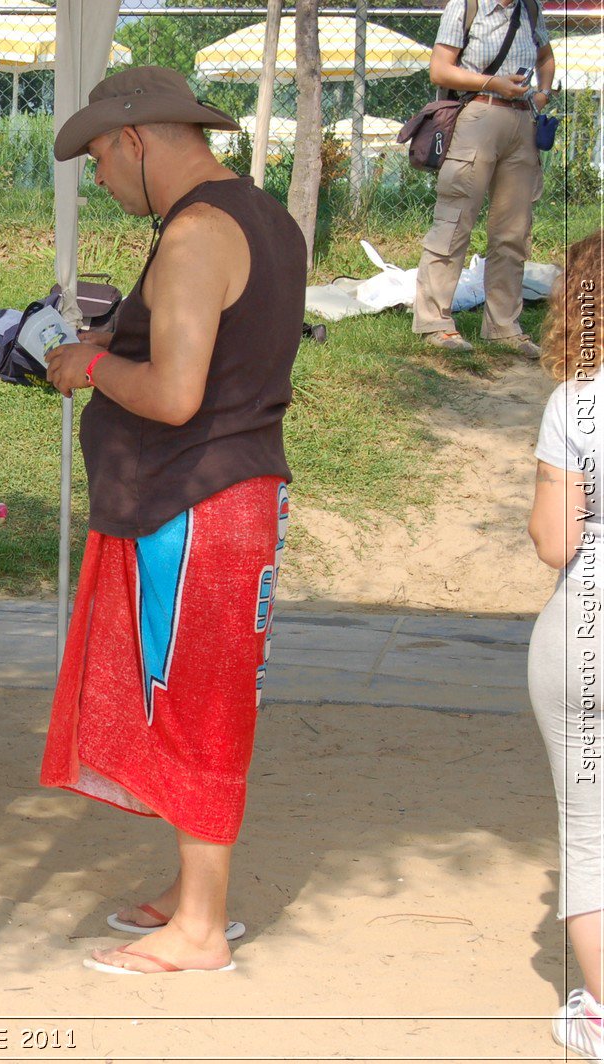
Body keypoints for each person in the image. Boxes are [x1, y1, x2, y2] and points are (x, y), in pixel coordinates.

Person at [38, 66, 305, 976]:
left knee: (193, 699)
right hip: (220, 494)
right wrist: (122, 341)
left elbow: (177, 394)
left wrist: (90, 369)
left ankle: (198, 932)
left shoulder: (194, 233)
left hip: (197, 501)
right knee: (185, 691)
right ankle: (194, 898)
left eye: (102, 160)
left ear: (137, 140)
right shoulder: (261, 216)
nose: (105, 183)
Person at [526, 228, 603, 1062]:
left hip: (587, 622)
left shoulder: (576, 404)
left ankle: (599, 1012)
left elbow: (555, 542)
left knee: (589, 830)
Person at [414, 0, 554, 358]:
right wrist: (492, 82)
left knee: (513, 231)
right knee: (454, 220)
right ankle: (436, 323)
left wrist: (543, 92)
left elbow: (545, 56)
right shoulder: (466, 6)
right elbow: (440, 70)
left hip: (523, 122)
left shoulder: (530, 8)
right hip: (478, 114)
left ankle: (503, 326)